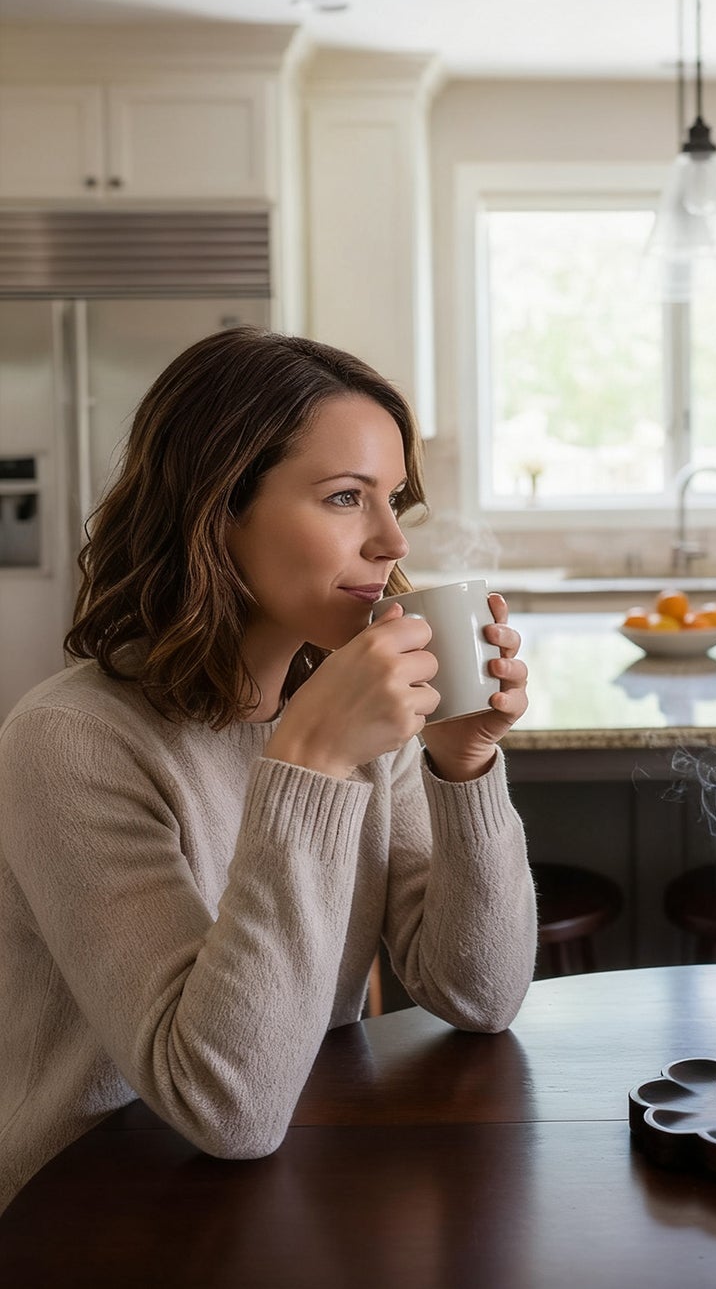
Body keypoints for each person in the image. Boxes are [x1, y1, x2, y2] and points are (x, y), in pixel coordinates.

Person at [0, 327, 538, 1210]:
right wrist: (311, 763)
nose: (391, 541)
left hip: (292, 1178)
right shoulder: (69, 740)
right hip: (93, 1207)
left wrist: (463, 765)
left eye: (394, 498)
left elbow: (476, 990)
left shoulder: (354, 706)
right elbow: (223, 1105)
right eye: (343, 498)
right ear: (217, 511)